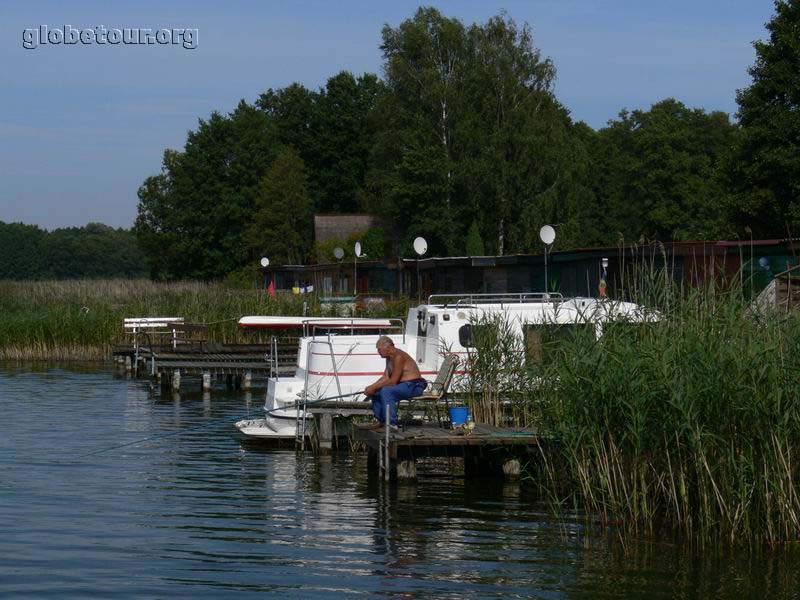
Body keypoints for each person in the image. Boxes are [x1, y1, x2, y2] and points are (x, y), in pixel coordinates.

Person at [364, 335, 426, 430]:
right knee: (376, 393)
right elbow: (385, 377)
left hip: (414, 386)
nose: (378, 352)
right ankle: (382, 422)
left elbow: (393, 381)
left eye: (379, 349)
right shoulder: (389, 358)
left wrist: (374, 387)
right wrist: (371, 387)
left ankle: (392, 424)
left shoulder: (398, 356)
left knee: (386, 391)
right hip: (404, 386)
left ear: (387, 347)